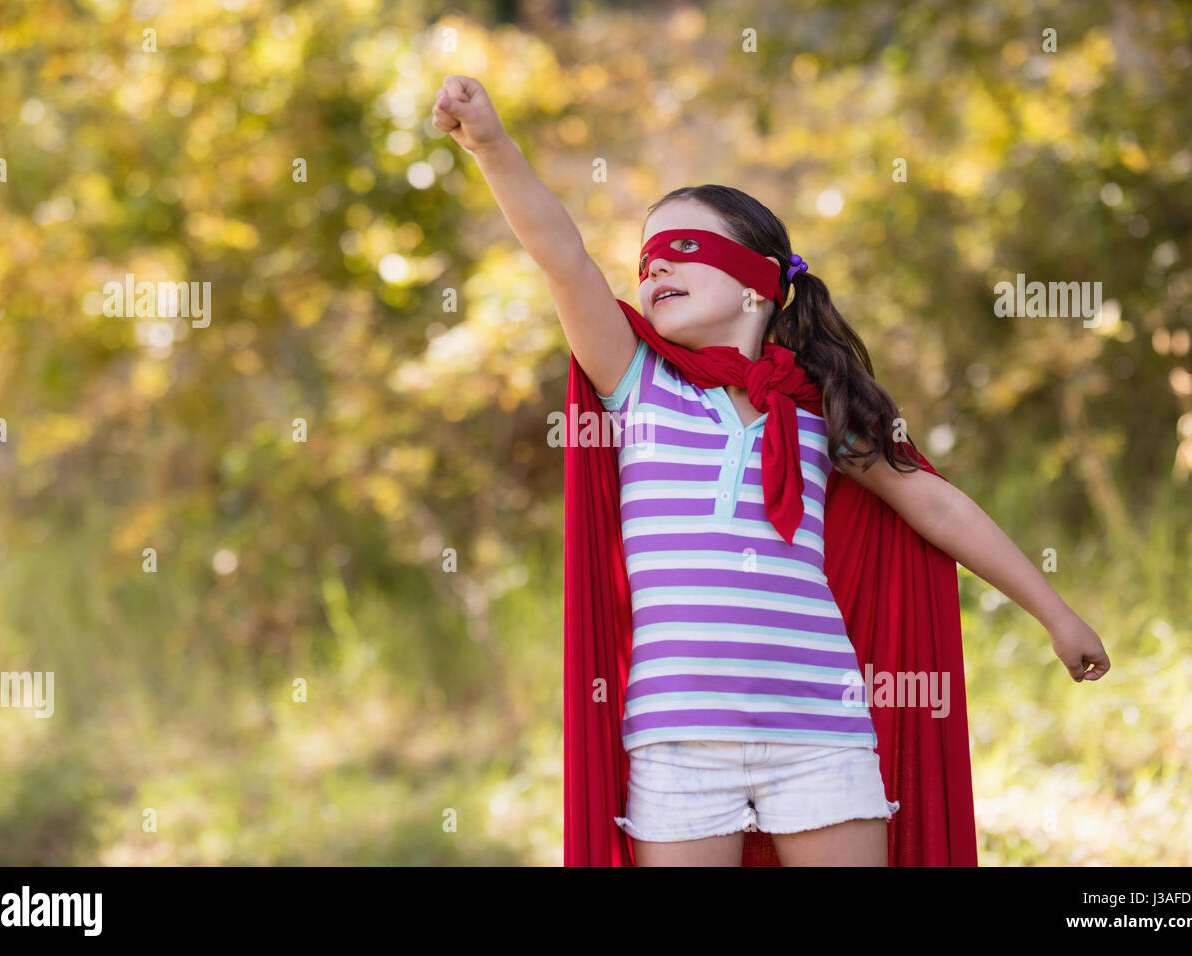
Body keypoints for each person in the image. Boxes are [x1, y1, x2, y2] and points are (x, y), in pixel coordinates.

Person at [431, 74, 1111, 866]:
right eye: (646, 259)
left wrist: (1055, 613)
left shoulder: (819, 410)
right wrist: (492, 145)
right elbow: (563, 257)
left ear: (758, 281)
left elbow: (938, 507)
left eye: (683, 249)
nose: (653, 271)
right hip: (677, 740)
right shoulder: (639, 385)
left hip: (822, 732)